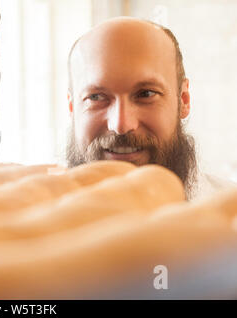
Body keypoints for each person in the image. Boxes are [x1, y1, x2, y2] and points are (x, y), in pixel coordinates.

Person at [65, 16, 235, 200]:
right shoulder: (31, 214)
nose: (121, 125)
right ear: (72, 108)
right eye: (96, 97)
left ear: (184, 100)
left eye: (146, 94)